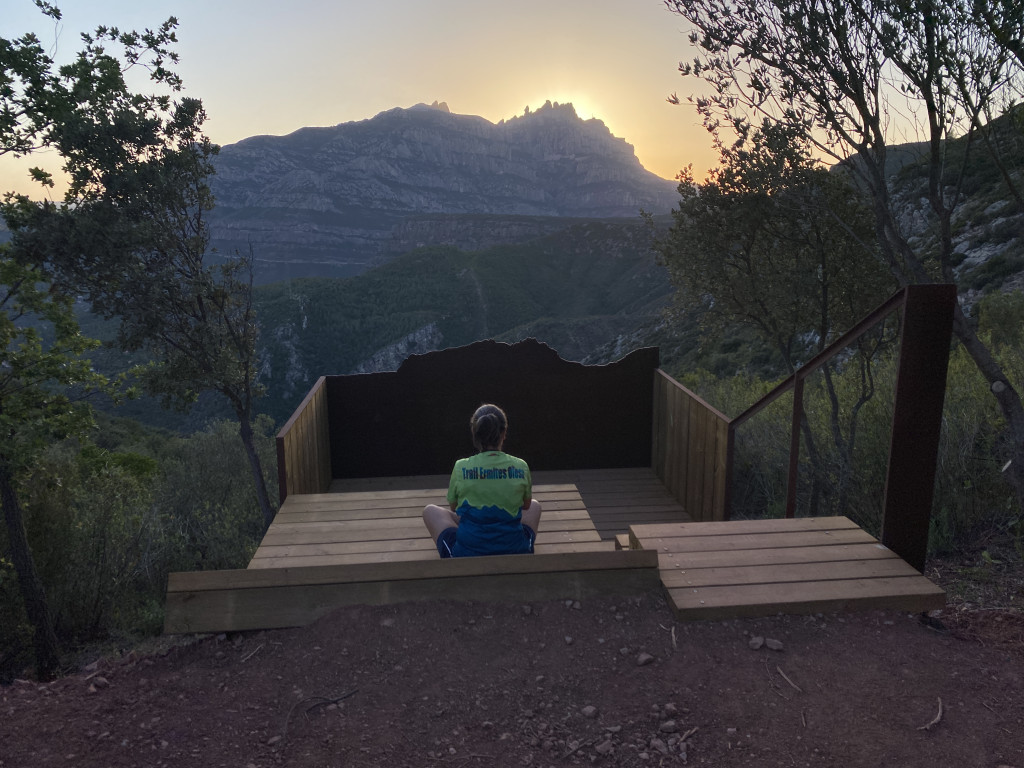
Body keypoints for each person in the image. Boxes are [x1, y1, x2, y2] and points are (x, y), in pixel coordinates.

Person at [423, 403, 542, 558]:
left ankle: (477, 527)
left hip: (466, 553)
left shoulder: (461, 467)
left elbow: (454, 507)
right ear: (504, 432)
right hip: (516, 549)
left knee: (430, 511)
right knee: (535, 506)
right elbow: (525, 505)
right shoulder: (520, 465)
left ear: (475, 433)